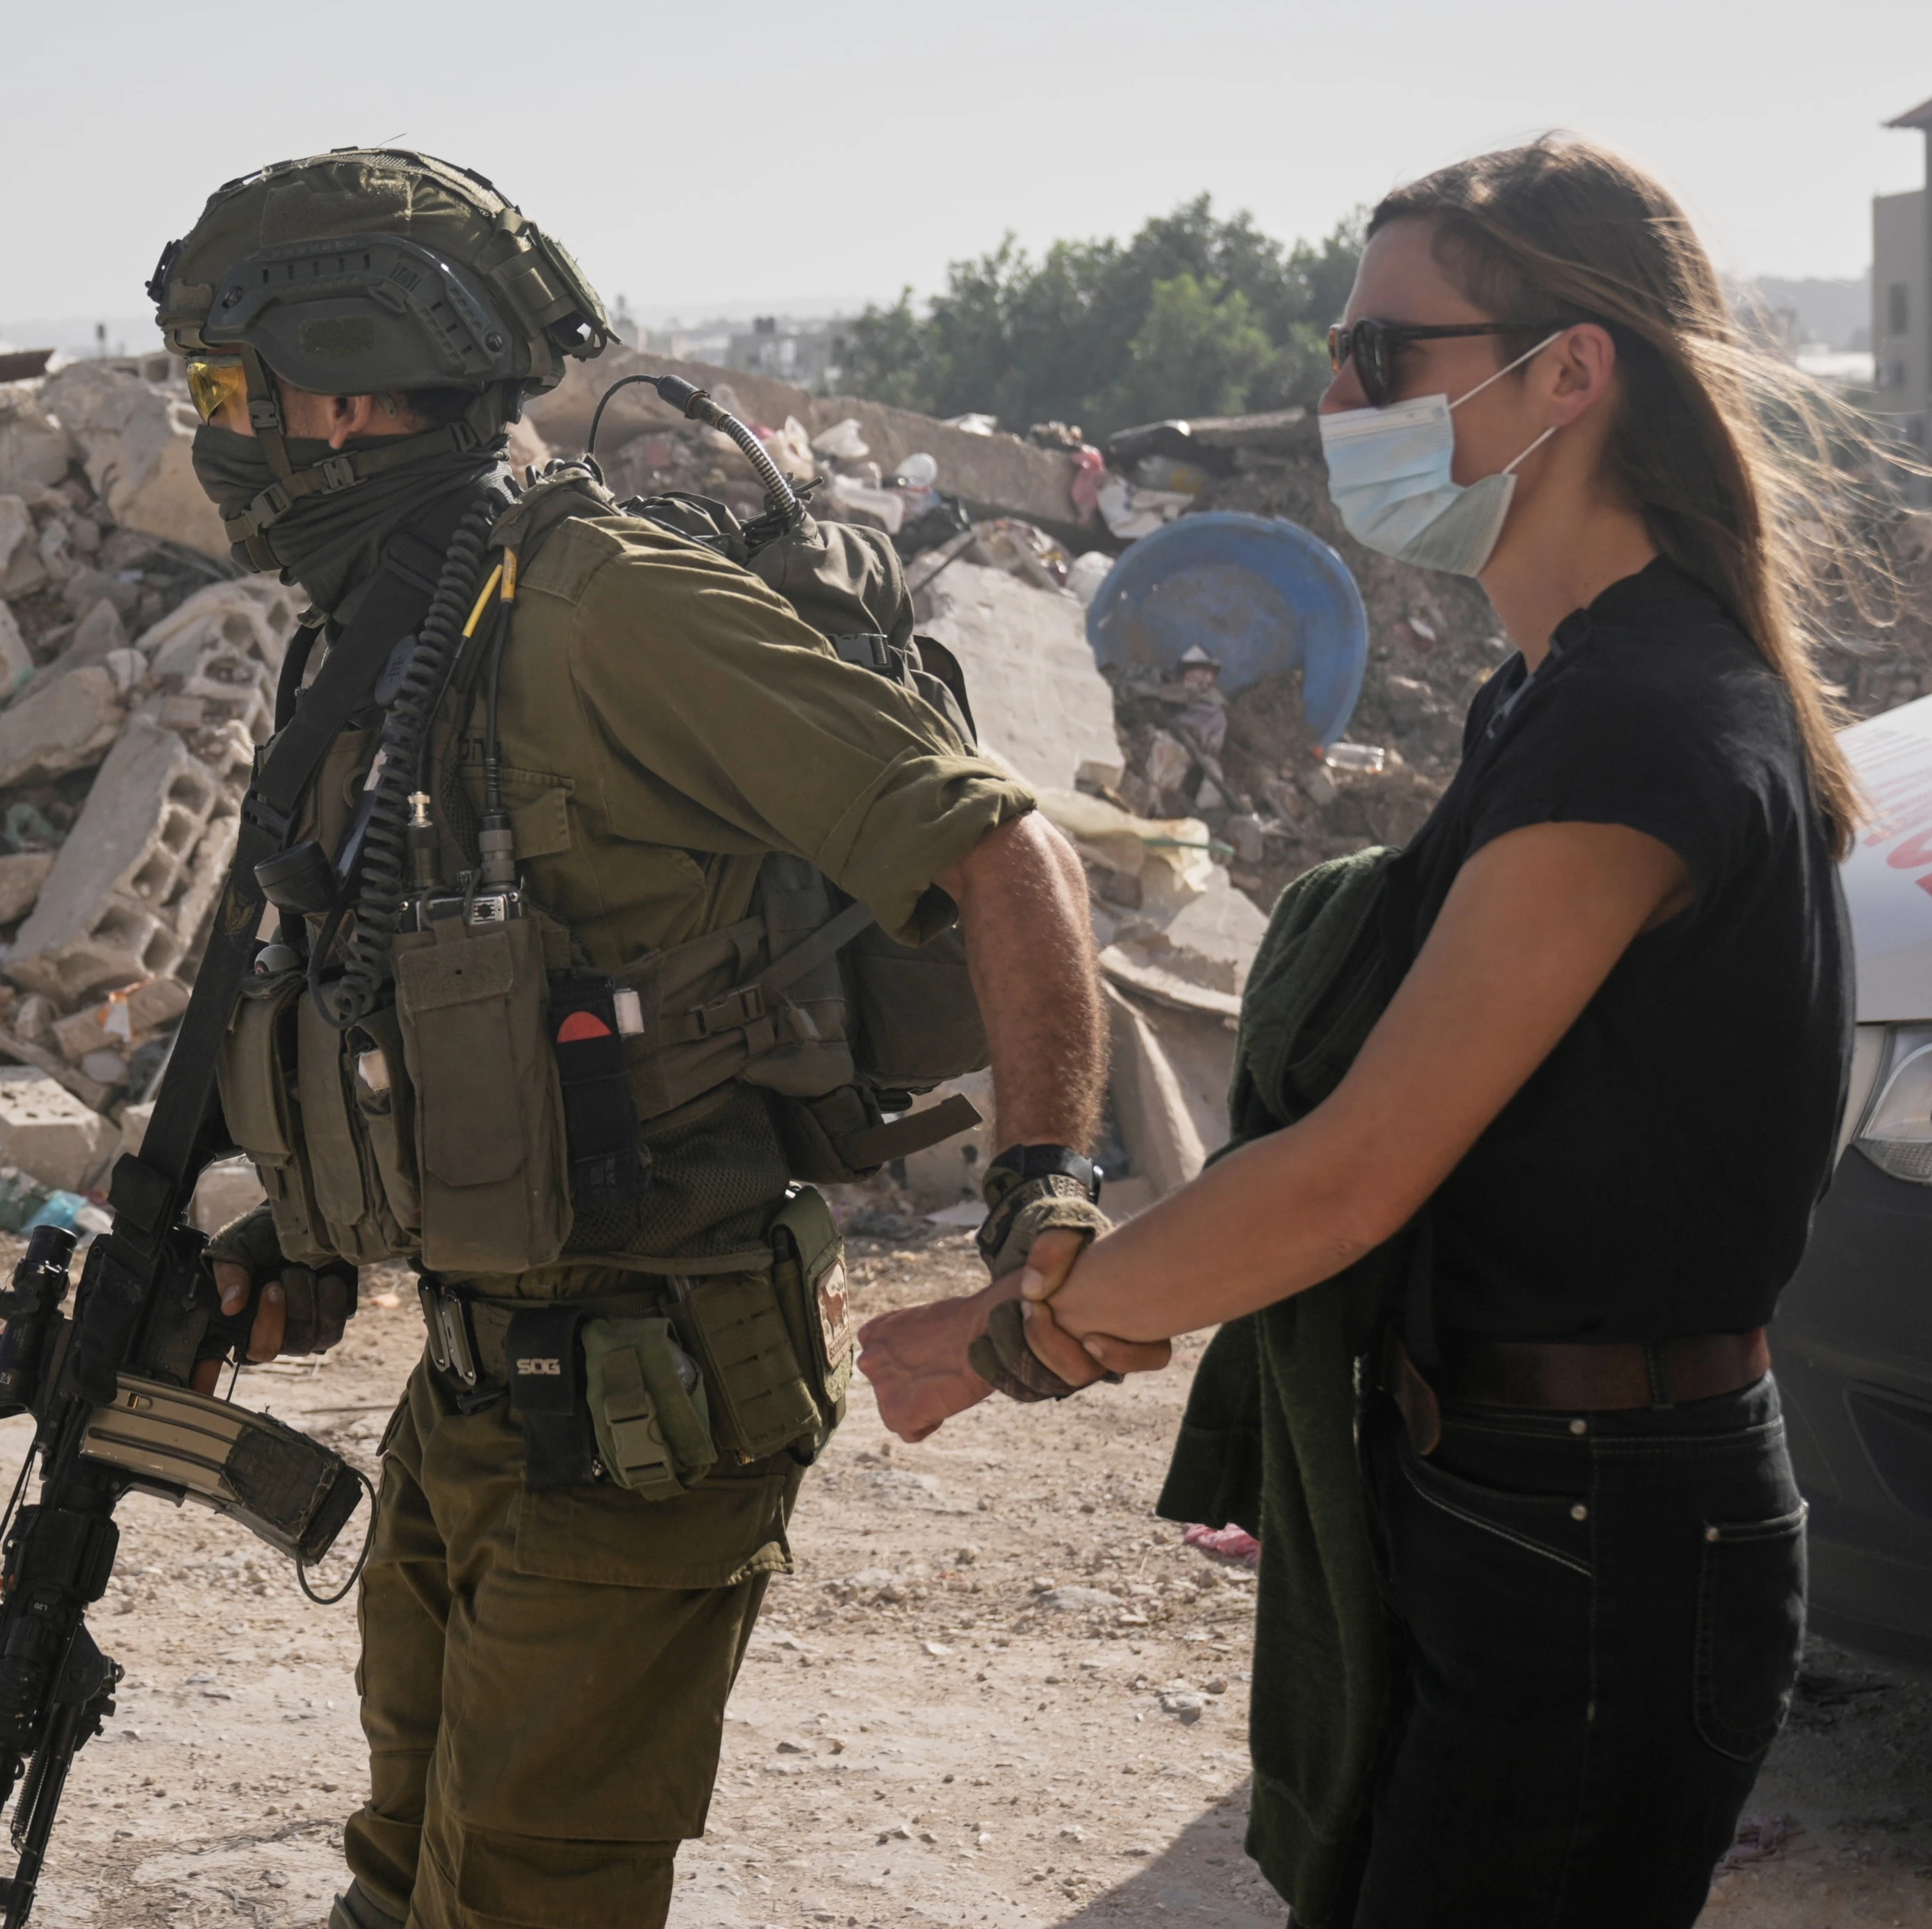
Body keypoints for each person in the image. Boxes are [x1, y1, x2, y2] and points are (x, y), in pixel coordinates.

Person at [860, 136, 1876, 1927]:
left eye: (1382, 355)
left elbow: (1348, 1177)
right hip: (1509, 1493)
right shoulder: (1555, 690)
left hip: (1592, 1529)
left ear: (1569, 369)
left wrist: (1014, 1335)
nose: (1332, 397)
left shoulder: (1639, 726)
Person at [148, 149, 1111, 1929]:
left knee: (519, 1903)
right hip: (481, 1378)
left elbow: (998, 844)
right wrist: (294, 1239)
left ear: (346, 382)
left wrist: (1047, 1182)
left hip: (648, 1399)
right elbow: (413, 998)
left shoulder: (601, 607)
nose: (215, 434)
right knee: (403, 1874)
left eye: (229, 388)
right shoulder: (387, 636)